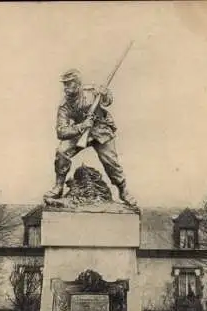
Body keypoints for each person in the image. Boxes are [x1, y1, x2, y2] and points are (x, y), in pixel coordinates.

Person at [45, 69, 138, 207]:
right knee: (62, 151)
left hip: (101, 129)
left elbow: (107, 101)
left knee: (111, 161)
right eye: (64, 84)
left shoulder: (91, 91)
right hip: (81, 131)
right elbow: (61, 131)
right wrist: (82, 126)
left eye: (69, 84)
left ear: (78, 84)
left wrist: (105, 94)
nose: (66, 88)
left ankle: (123, 190)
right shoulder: (64, 105)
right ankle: (58, 186)